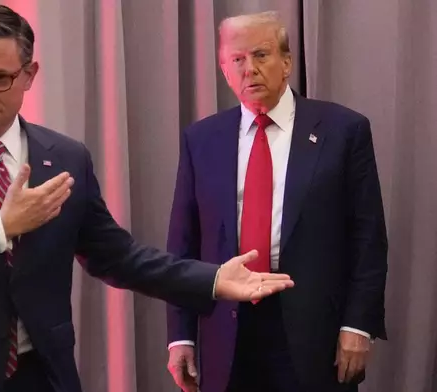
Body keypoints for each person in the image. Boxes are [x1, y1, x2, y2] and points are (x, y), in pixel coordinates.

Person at [0, 5, 295, 392]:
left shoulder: (64, 156)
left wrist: (212, 279)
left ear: (29, 74)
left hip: (42, 375)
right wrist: (1, 227)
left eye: (0, 78)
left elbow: (117, 256)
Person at [165, 11, 388, 392]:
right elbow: (183, 244)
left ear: (287, 62)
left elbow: (368, 238)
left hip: (314, 333)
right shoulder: (201, 139)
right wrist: (181, 336)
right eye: (237, 60)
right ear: (224, 69)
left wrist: (358, 324)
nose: (249, 69)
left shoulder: (343, 131)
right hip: (226, 331)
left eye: (261, 55)